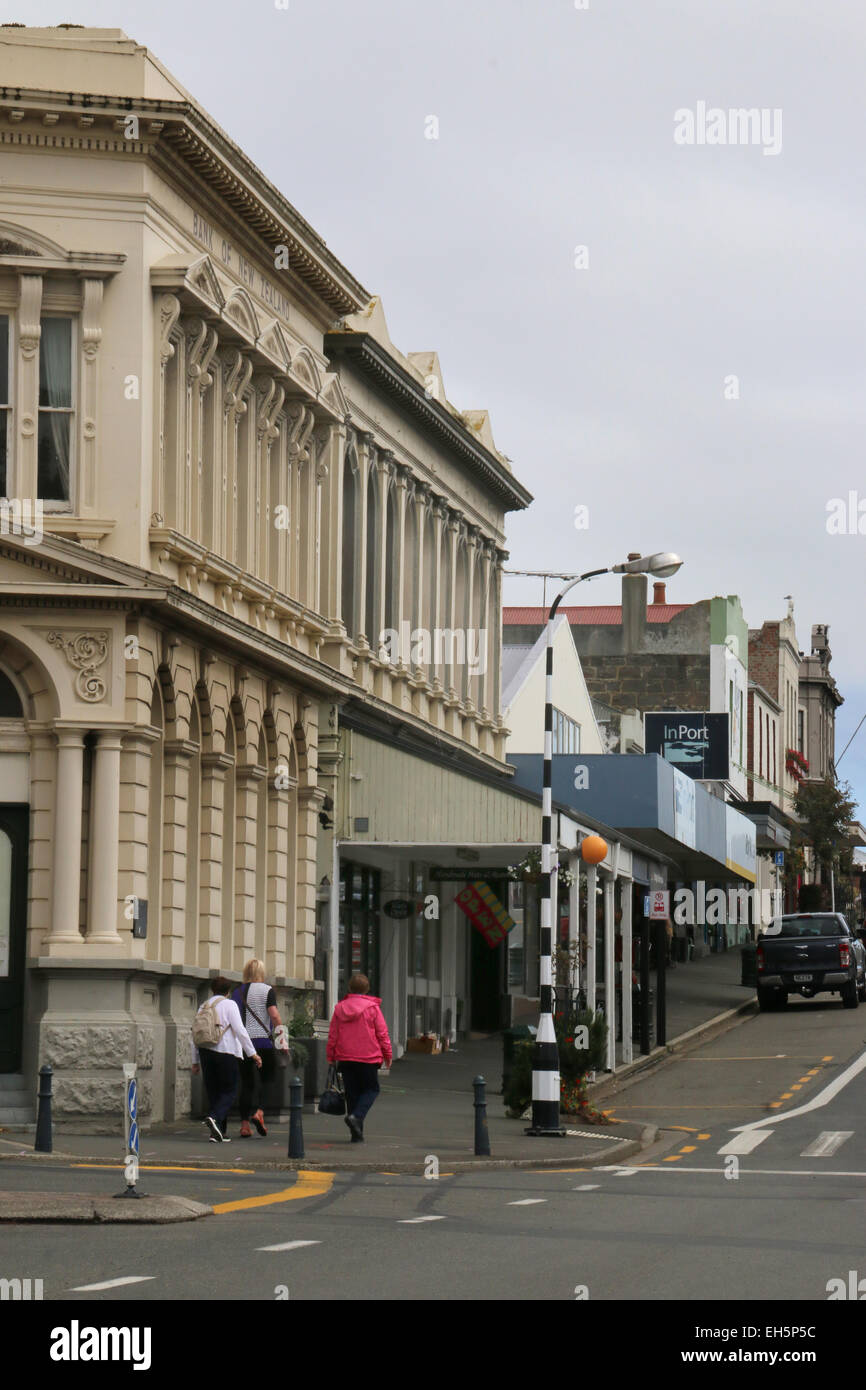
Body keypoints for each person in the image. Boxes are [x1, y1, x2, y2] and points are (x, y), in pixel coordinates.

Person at [191, 976, 261, 1142]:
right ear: (228, 991)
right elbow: (240, 1030)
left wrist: (195, 1060)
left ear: (212, 990)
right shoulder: (230, 1004)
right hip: (225, 1052)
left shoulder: (203, 1006)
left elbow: (195, 1033)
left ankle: (218, 1132)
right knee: (230, 1090)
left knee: (214, 1092)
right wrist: (252, 1053)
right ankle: (214, 1118)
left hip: (205, 1052)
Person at [326, 973, 392, 1142]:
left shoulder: (340, 1008)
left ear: (350, 988)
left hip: (346, 1057)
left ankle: (356, 1134)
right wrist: (387, 1055)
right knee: (371, 1089)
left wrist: (331, 1055)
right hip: (368, 1058)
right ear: (367, 989)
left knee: (352, 1094)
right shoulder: (372, 1008)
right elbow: (382, 1034)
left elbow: (333, 1034)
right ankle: (356, 1117)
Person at [231, 959, 283, 1138]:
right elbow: (274, 1016)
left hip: (244, 1044)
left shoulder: (237, 992)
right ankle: (259, 1112)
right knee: (268, 1079)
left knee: (246, 1083)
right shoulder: (267, 990)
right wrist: (283, 1041)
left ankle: (244, 1125)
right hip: (263, 1043)